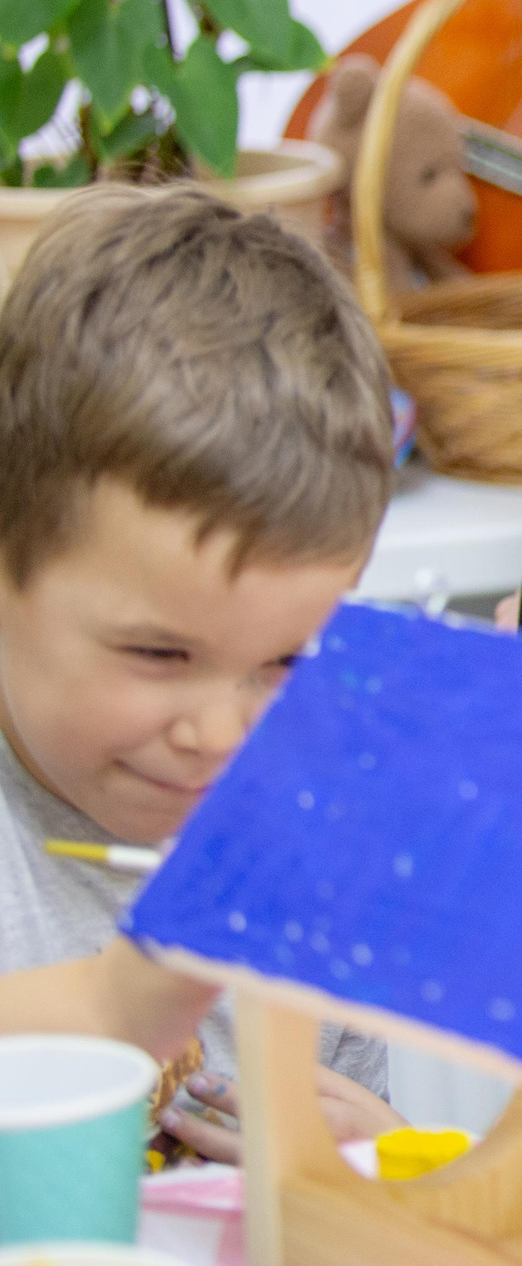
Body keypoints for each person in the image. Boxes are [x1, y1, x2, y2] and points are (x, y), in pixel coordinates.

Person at [0, 188, 408, 1159]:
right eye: (158, 654)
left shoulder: (307, 839)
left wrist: (384, 1163)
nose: (221, 735)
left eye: (286, 662)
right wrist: (108, 1007)